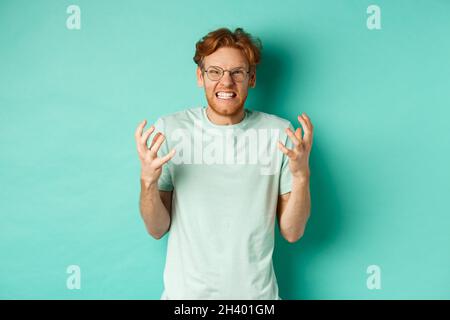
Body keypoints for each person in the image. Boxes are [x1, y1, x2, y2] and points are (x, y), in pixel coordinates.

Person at [134, 27, 313, 300]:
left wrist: (301, 176)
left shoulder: (279, 134)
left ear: (251, 78)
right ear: (200, 76)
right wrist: (147, 180)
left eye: (237, 73)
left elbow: (292, 231)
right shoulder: (171, 130)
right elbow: (156, 229)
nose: (226, 82)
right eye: (215, 71)